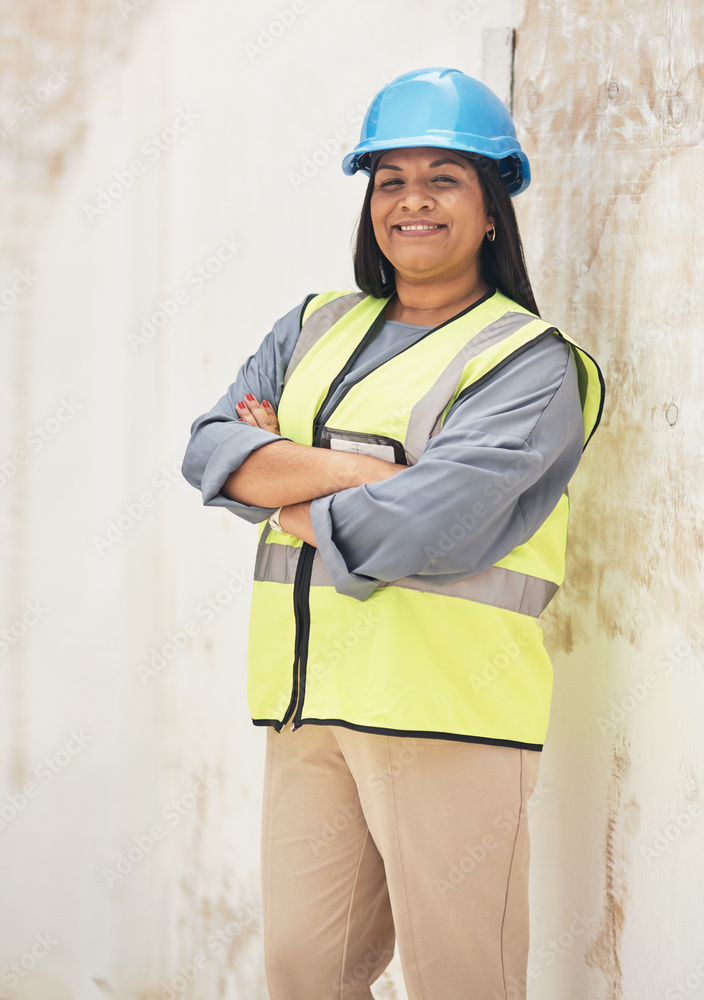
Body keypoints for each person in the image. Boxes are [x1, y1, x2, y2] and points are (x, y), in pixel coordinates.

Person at [183, 67, 604, 1000]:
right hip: (307, 705)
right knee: (304, 973)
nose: (412, 201)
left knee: (463, 982)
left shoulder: (533, 366)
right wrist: (362, 473)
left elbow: (427, 526)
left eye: (444, 178)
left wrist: (280, 479)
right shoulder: (313, 326)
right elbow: (211, 449)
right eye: (390, 180)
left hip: (447, 714)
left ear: (493, 208)